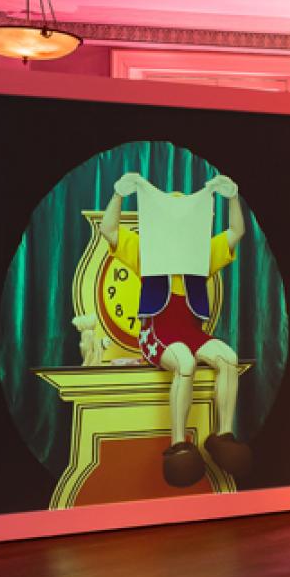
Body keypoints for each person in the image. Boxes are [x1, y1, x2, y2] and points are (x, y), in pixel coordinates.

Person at [92, 170, 253, 487]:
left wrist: (233, 198)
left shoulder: (203, 256)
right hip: (157, 334)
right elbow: (108, 229)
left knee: (229, 359)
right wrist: (118, 194)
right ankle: (179, 443)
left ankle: (224, 436)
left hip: (192, 333)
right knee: (185, 362)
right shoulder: (145, 251)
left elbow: (237, 231)